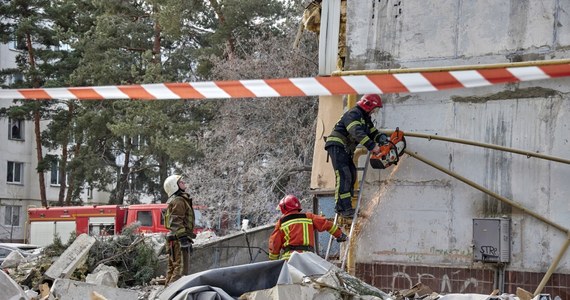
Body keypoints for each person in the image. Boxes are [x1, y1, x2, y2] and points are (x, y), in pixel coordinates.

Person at [325, 94, 388, 218]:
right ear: (368, 106)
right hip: (337, 145)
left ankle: (347, 207)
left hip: (345, 148)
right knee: (344, 175)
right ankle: (341, 208)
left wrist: (382, 139)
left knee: (352, 175)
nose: (374, 112)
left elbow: (372, 132)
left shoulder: (364, 118)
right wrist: (372, 146)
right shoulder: (354, 114)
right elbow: (356, 132)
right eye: (374, 109)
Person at [268, 194, 348, 260]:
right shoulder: (309, 217)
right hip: (308, 258)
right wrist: (340, 235)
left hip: (289, 259)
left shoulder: (282, 222)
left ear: (284, 208)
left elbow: (274, 243)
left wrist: (273, 261)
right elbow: (327, 224)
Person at [163, 174, 196, 285]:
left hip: (174, 239)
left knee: (173, 269)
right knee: (181, 271)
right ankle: (172, 294)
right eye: (181, 182)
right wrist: (183, 239)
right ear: (174, 186)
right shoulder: (179, 201)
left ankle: (165, 295)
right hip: (178, 240)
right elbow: (176, 220)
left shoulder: (178, 200)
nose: (184, 183)